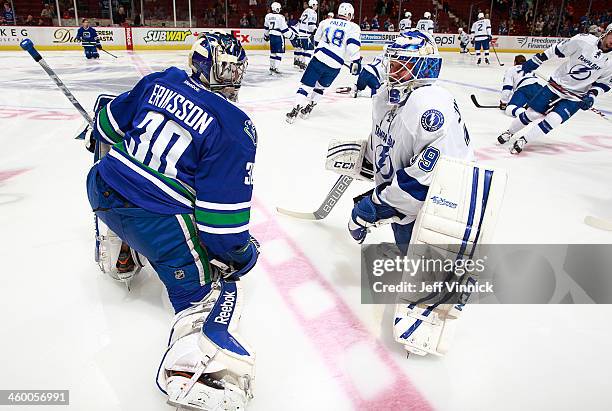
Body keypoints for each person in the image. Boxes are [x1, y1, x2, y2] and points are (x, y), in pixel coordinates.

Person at [85, 31, 258, 410]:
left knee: (119, 174)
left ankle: (118, 250)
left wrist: (96, 130)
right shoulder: (235, 126)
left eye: (235, 70)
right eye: (227, 69)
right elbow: (220, 225)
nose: (233, 78)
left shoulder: (160, 79)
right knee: (214, 289)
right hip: (154, 219)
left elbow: (106, 127)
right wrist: (240, 255)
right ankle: (197, 372)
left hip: (100, 188)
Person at [330, 32, 497, 357]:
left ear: (425, 67)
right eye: (394, 60)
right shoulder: (390, 95)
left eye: (404, 63)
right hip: (411, 196)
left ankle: (447, 287)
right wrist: (371, 158)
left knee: (426, 264)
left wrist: (373, 206)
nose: (394, 68)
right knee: (409, 248)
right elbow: (390, 138)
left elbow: (425, 183)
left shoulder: (428, 104)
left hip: (444, 203)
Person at [497, 28, 612, 154]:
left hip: (576, 96)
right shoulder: (584, 40)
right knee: (532, 114)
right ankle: (509, 132)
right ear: (606, 33)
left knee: (554, 120)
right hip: (556, 85)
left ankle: (524, 140)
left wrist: (592, 95)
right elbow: (557, 49)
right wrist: (538, 59)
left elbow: (604, 84)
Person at [286, 2, 361, 123]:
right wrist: (356, 61)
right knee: (320, 88)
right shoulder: (353, 27)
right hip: (335, 65)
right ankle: (308, 109)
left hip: (319, 59)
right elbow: (352, 47)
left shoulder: (325, 22)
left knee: (306, 86)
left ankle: (295, 110)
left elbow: (316, 40)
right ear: (349, 14)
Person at [264, 2, 296, 74]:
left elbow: (266, 28)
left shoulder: (268, 16)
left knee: (273, 53)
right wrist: (292, 36)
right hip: (278, 36)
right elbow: (284, 30)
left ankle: (272, 67)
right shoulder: (281, 17)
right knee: (279, 53)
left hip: (271, 35)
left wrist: (266, 36)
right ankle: (276, 68)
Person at [294, 0, 318, 70]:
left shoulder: (305, 11)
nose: (317, 6)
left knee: (303, 49)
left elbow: (299, 22)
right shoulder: (313, 12)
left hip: (300, 33)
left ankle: (300, 62)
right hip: (307, 34)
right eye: (316, 5)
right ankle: (305, 64)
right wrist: (316, 31)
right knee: (309, 50)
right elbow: (311, 25)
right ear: (313, 5)